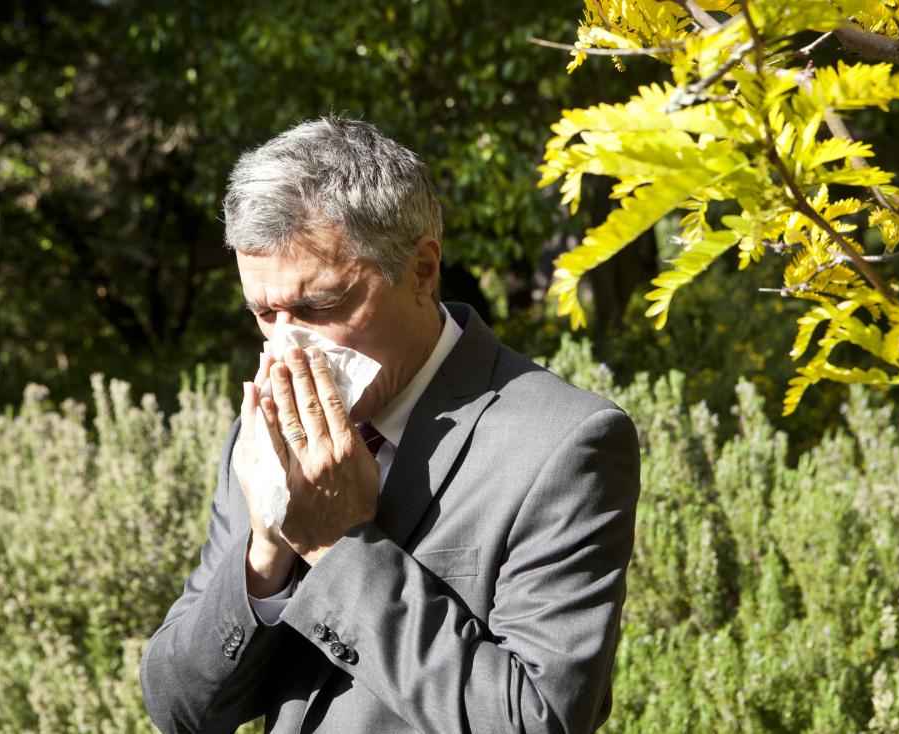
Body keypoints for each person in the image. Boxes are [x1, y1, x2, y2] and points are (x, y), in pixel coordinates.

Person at [140, 117, 640, 733]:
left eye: (321, 306)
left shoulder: (563, 441)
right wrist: (265, 552)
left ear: (422, 270)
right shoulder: (268, 438)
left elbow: (537, 721)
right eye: (265, 313)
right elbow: (180, 710)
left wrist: (336, 543)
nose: (289, 344)